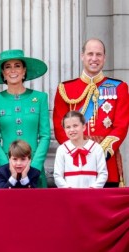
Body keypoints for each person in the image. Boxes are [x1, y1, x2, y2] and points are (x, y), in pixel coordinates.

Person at [53, 38, 129, 187]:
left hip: (107, 162)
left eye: (99, 54)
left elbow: (121, 126)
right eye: (90, 54)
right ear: (82, 56)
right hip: (74, 163)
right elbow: (59, 126)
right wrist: (75, 151)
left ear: (104, 58)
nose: (94, 59)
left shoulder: (119, 87)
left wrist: (98, 153)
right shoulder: (65, 88)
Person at [0, 49, 50, 188]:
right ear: (3, 74)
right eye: (8, 67)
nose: (13, 70)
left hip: (34, 168)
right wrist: (6, 166)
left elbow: (45, 135)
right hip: (7, 171)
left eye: (17, 65)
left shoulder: (40, 98)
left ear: (24, 71)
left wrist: (35, 166)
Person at [53, 111, 108, 188]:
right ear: (64, 129)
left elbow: (103, 173)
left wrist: (93, 189)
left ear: (83, 127)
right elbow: (57, 175)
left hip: (92, 195)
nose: (72, 130)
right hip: (70, 195)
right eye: (68, 127)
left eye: (75, 126)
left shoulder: (96, 148)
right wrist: (68, 189)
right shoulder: (62, 150)